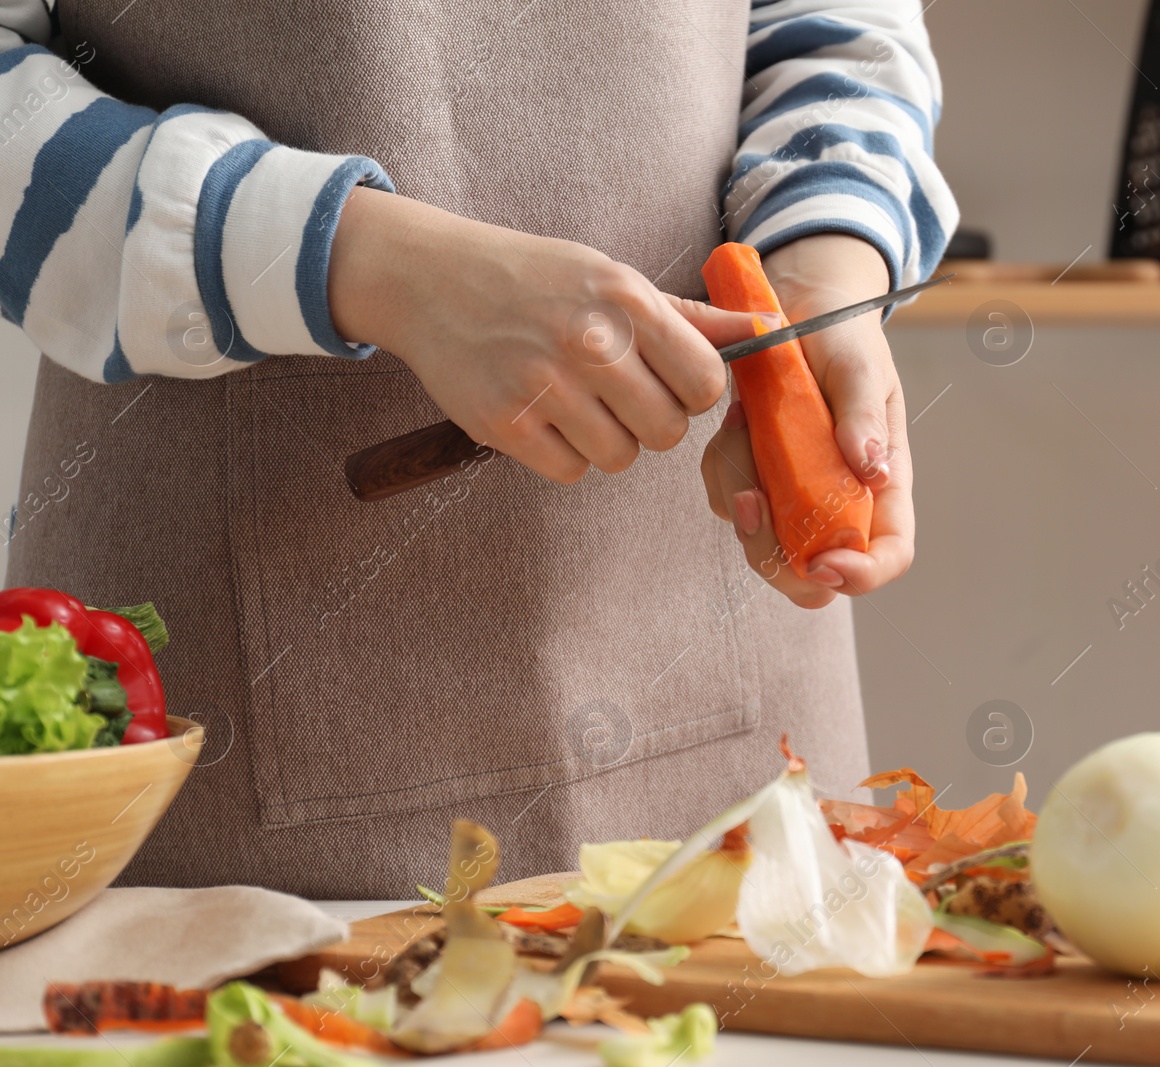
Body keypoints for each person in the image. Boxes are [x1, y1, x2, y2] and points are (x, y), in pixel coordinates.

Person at [0, 0, 957, 895]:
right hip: (233, 742)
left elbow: (837, 24)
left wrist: (821, 268)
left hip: (734, 686)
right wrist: (362, 260)